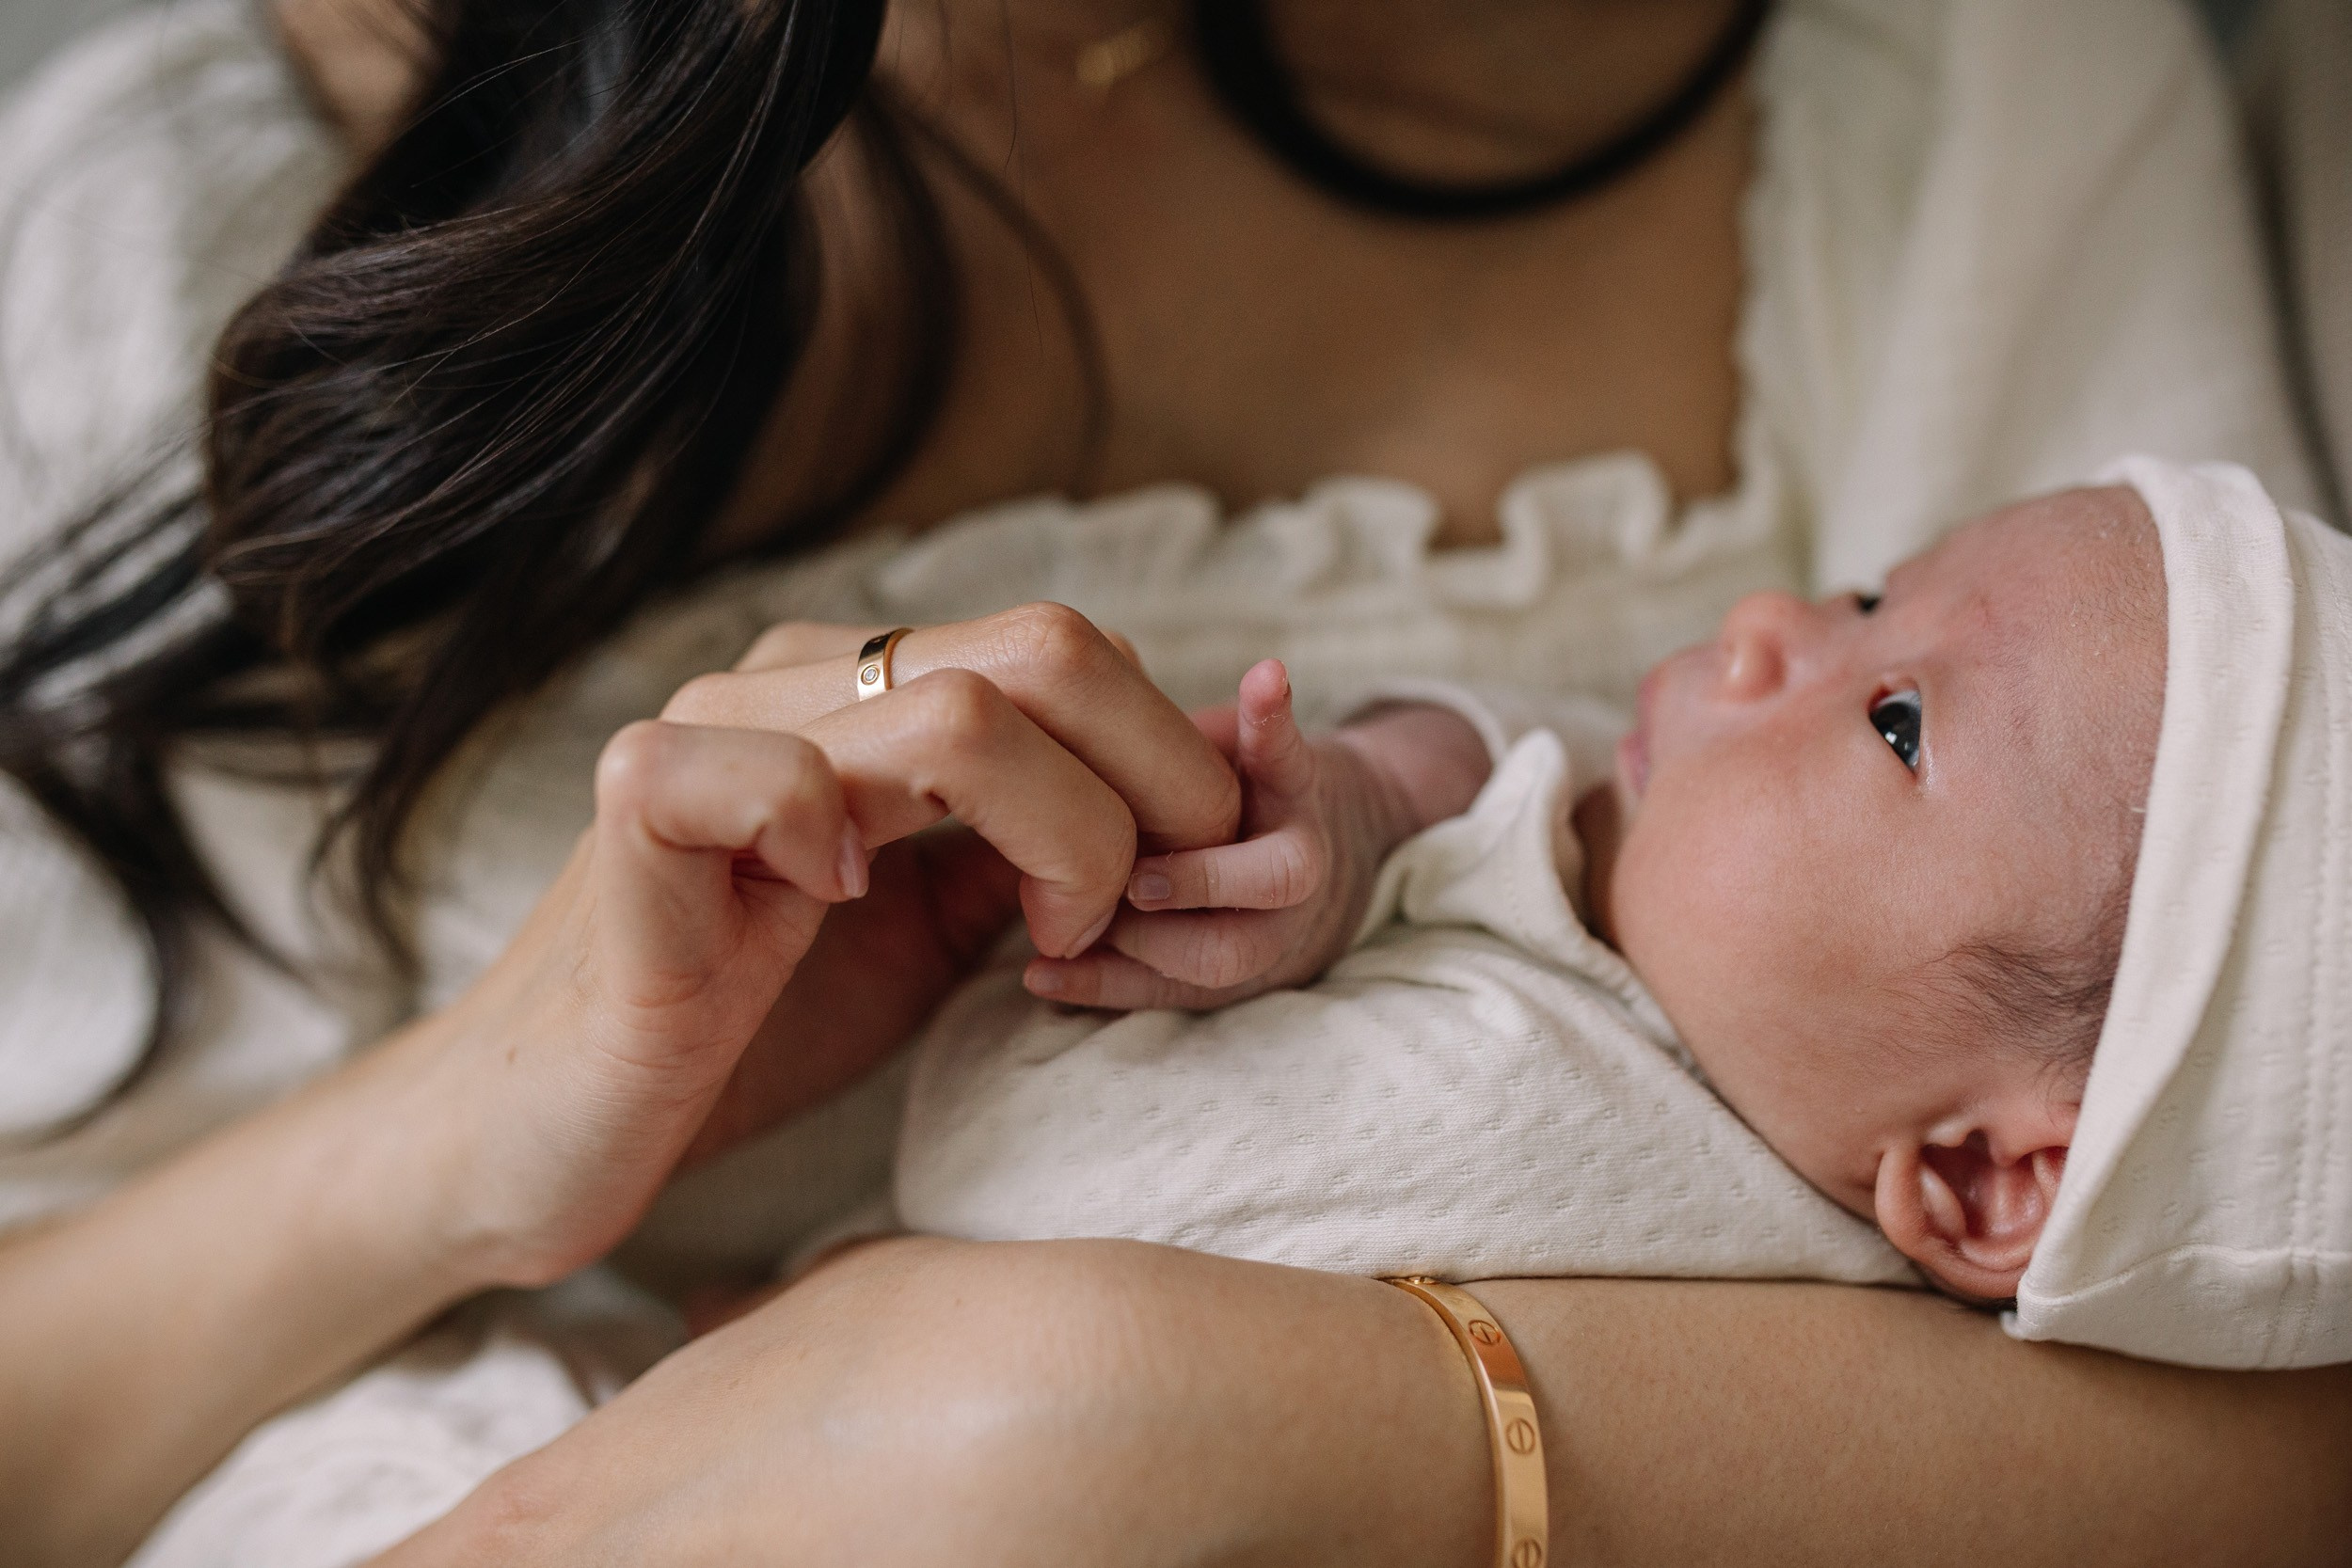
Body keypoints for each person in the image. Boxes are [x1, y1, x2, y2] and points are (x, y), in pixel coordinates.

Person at [1, 4, 2346, 1566]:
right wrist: (460, 1142)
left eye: (1881, 705)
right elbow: (1448, 807)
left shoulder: (1957, 84)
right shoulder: (185, 237)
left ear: (1977, 1180)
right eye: (1844, 596)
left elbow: (2267, 1317)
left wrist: (1160, 1416)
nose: (1763, 640)